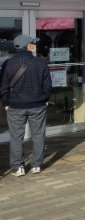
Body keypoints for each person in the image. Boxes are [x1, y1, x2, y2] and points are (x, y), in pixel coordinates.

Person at [0, 34, 52, 177]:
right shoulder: (40, 63)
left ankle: (18, 167)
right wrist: (45, 98)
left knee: (16, 137)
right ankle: (36, 165)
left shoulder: (8, 64)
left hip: (15, 106)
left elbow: (3, 87)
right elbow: (47, 85)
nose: (34, 45)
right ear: (27, 46)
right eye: (32, 43)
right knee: (38, 135)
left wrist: (5, 103)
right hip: (38, 105)